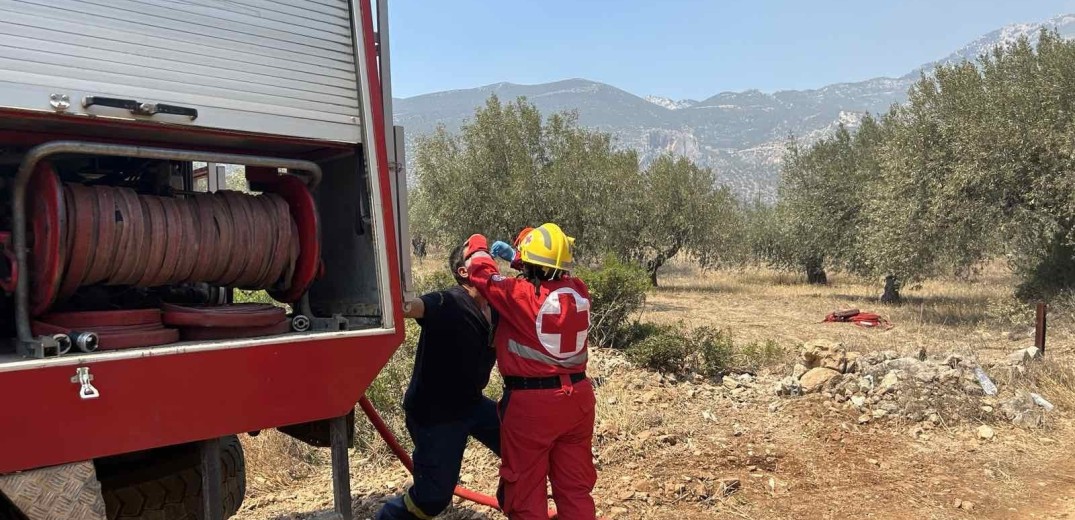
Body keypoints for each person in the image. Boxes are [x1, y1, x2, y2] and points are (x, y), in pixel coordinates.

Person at [463, 223, 597, 520]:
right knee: (575, 490)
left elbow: (481, 274)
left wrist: (478, 246)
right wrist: (518, 258)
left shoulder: (517, 294)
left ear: (529, 262)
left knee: (525, 493)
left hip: (532, 407)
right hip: (578, 400)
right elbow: (547, 274)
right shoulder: (579, 290)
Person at [376, 245, 500, 520]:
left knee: (521, 443)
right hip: (435, 414)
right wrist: (390, 294)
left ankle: (514, 501)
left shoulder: (497, 307)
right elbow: (413, 307)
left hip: (472, 404)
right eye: (478, 255)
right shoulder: (448, 302)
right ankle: (388, 517)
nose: (490, 259)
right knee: (433, 498)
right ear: (464, 271)